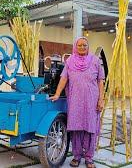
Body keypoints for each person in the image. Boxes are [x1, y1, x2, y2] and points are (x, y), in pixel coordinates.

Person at [49, 37, 105, 168]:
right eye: (79, 45)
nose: (82, 47)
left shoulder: (95, 61)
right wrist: (57, 94)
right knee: (76, 128)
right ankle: (76, 156)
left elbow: (101, 81)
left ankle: (89, 158)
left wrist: (101, 99)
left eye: (84, 45)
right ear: (75, 46)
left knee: (90, 128)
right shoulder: (69, 61)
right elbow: (63, 79)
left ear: (88, 46)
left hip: (92, 101)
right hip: (75, 100)